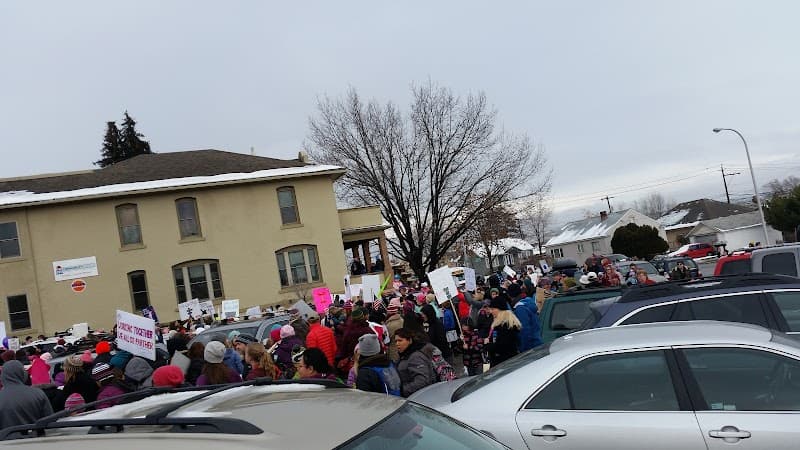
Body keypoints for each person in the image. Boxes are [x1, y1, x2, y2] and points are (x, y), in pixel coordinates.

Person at [0, 360, 54, 429]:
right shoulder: (38, 393)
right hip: (36, 437)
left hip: (7, 439)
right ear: (22, 373)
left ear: (3, 376)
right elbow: (50, 422)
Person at [395, 327, 436, 398]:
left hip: (419, 398)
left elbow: (422, 381)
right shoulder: (404, 355)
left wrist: (401, 391)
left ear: (410, 341)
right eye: (396, 341)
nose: (397, 344)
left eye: (400, 340)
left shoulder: (415, 357)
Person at [485, 295, 522, 367]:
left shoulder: (505, 326)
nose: (491, 311)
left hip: (505, 363)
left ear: (500, 309)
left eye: (493, 309)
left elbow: (502, 347)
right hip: (506, 361)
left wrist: (488, 346)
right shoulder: (504, 324)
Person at [514, 287, 543, 352]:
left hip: (530, 347)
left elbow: (525, 329)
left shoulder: (520, 308)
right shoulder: (529, 305)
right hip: (537, 342)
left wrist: (524, 349)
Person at [384, 298, 404, 363]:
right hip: (403, 348)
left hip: (394, 350)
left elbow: (387, 340)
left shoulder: (390, 325)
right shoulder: (401, 320)